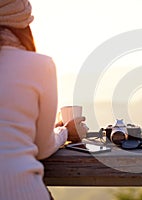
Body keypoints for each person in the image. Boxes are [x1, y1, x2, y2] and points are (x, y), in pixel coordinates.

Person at [0, 0, 88, 199]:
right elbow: (43, 148)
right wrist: (64, 130)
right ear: (23, 27)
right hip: (21, 191)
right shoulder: (40, 65)